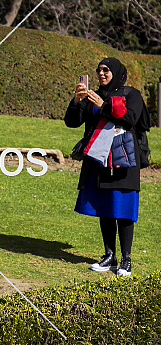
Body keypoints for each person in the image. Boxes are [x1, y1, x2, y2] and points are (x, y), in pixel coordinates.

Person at [64, 57, 149, 277]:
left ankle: (126, 260)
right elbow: (72, 122)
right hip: (99, 161)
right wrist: (76, 100)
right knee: (106, 209)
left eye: (106, 70)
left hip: (123, 161)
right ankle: (110, 256)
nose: (101, 73)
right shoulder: (94, 96)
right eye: (99, 70)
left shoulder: (132, 95)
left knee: (123, 211)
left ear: (117, 72)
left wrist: (104, 106)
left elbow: (130, 119)